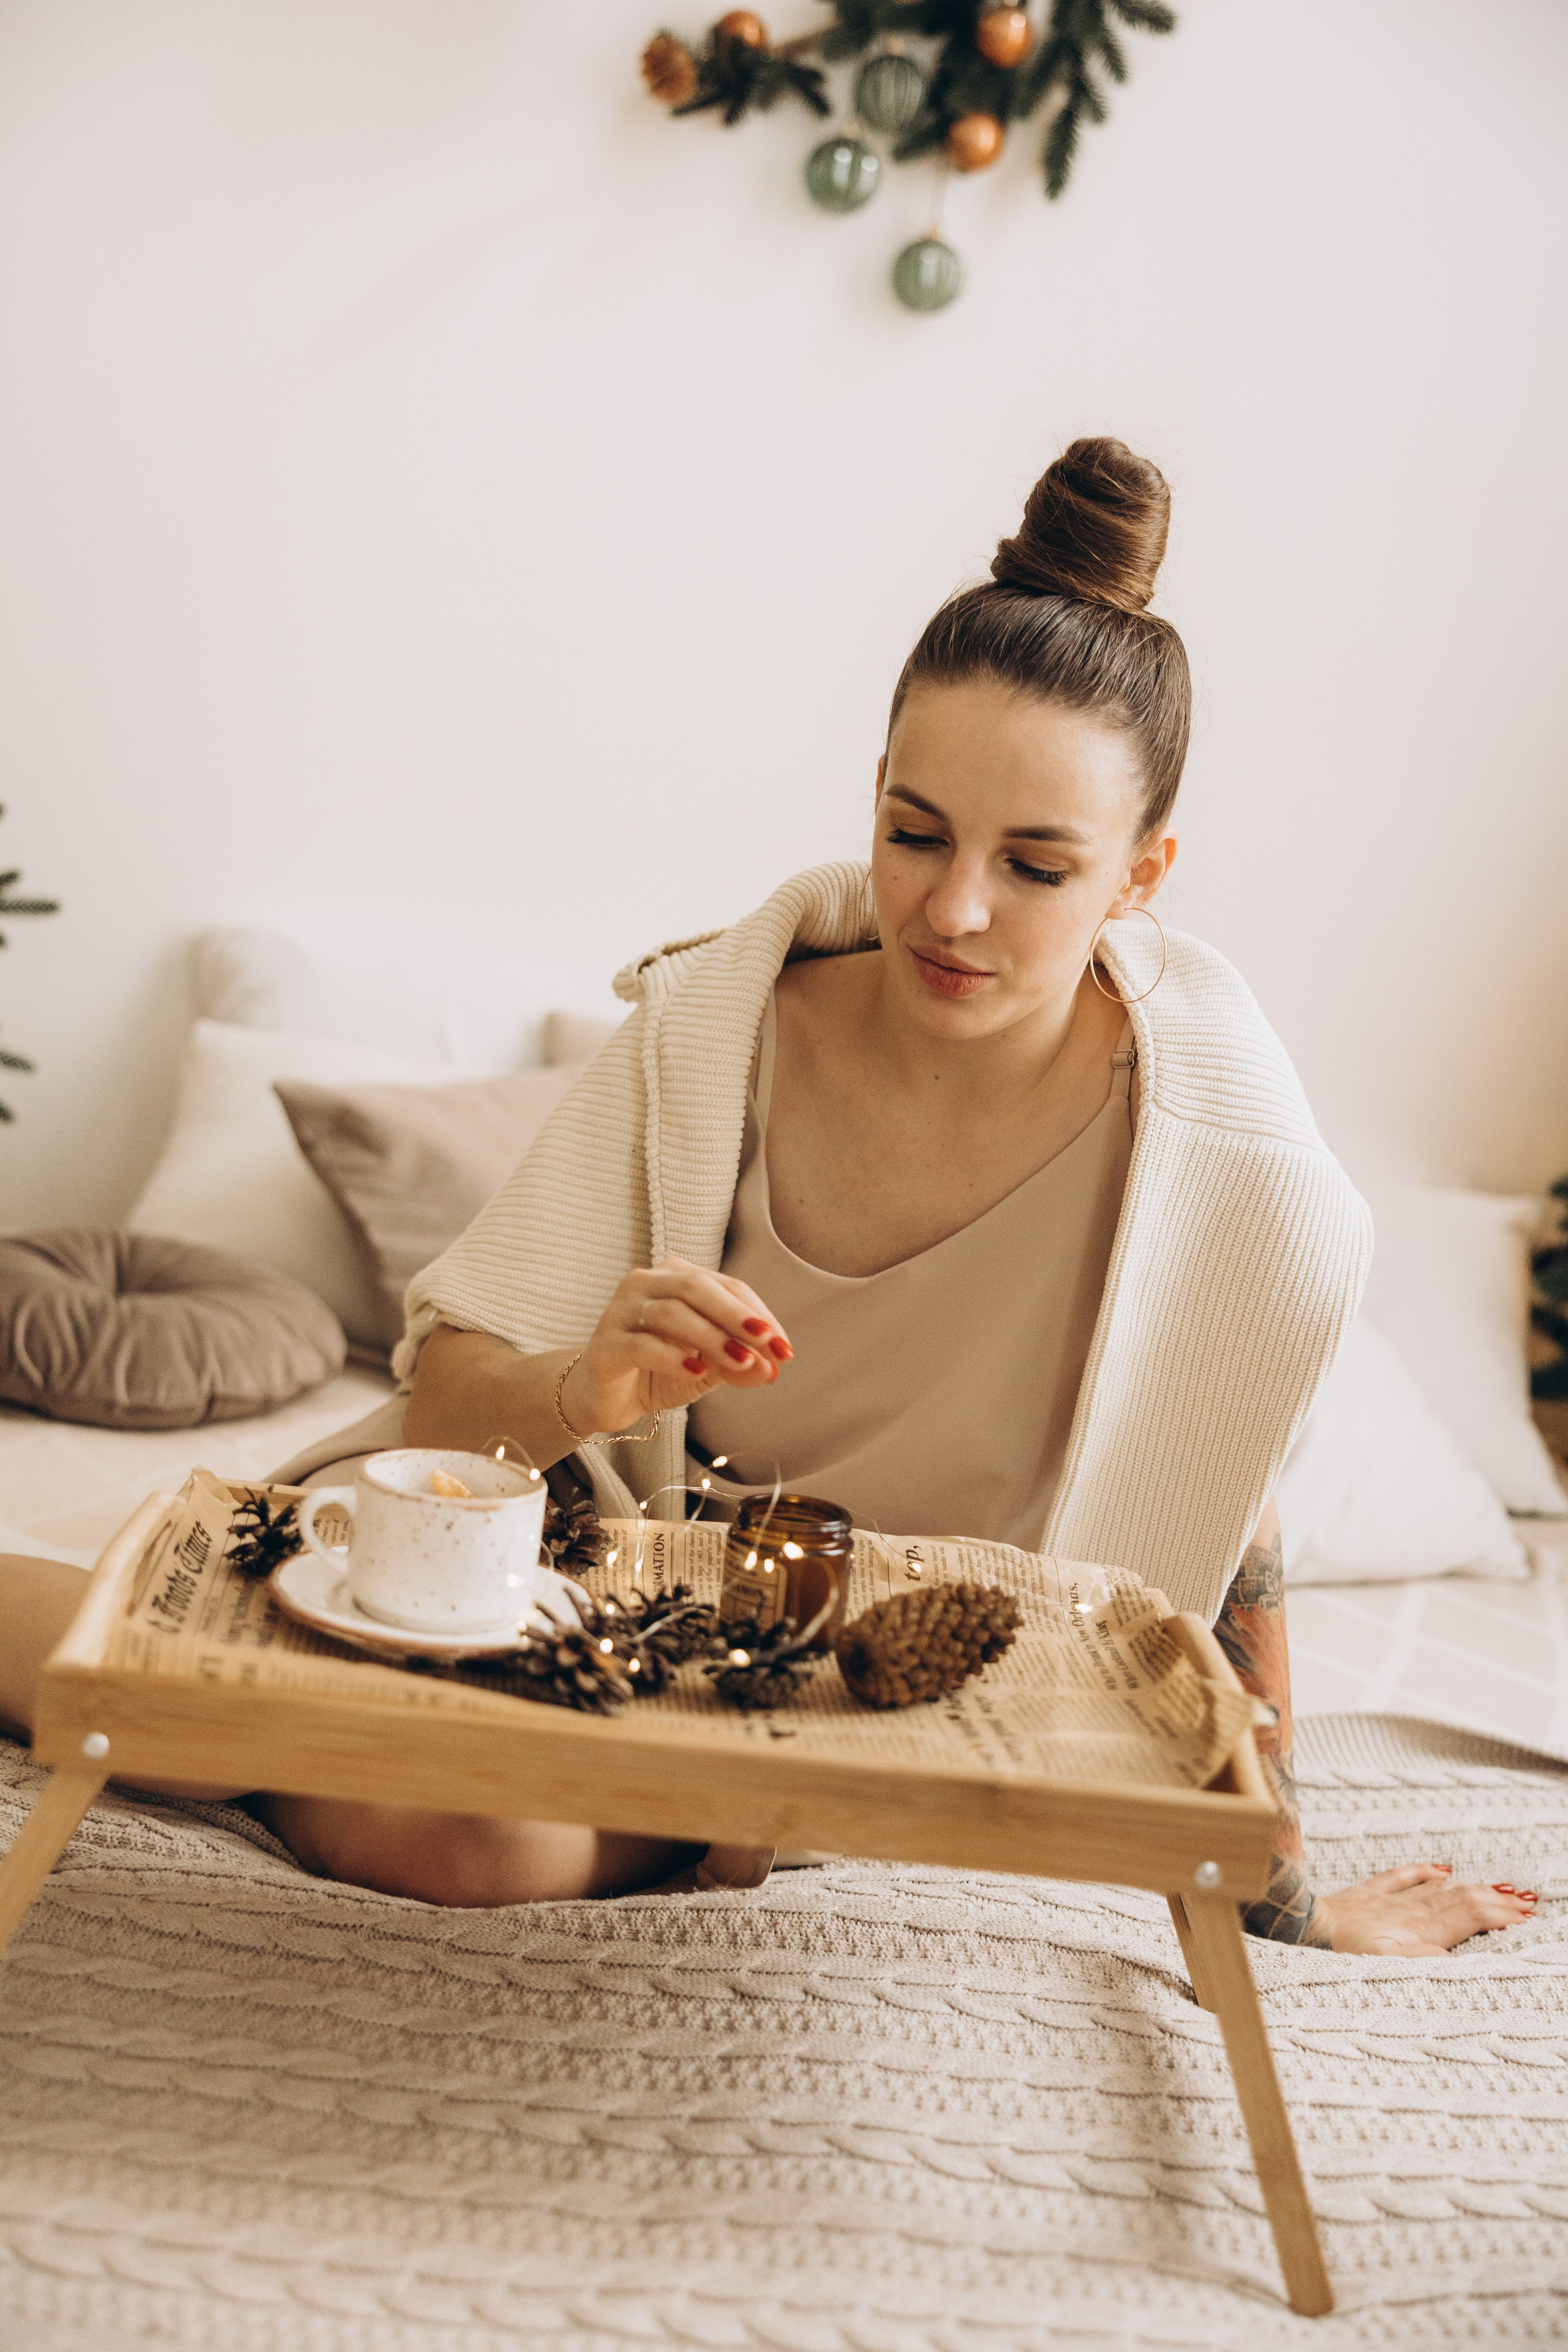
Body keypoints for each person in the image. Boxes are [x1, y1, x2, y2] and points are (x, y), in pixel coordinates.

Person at [0, 439, 1536, 1952]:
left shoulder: (1218, 1162)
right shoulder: (708, 1035)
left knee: (477, 1839)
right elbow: (453, 1410)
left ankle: (276, 1726)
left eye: (1038, 867)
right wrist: (589, 1385)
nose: (952, 909)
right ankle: (229, 1700)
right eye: (916, 832)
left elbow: (1226, 1519)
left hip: (840, 1694)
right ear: (872, 790)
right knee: (251, 1730)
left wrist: (1278, 1899)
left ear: (1142, 875)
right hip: (534, 1568)